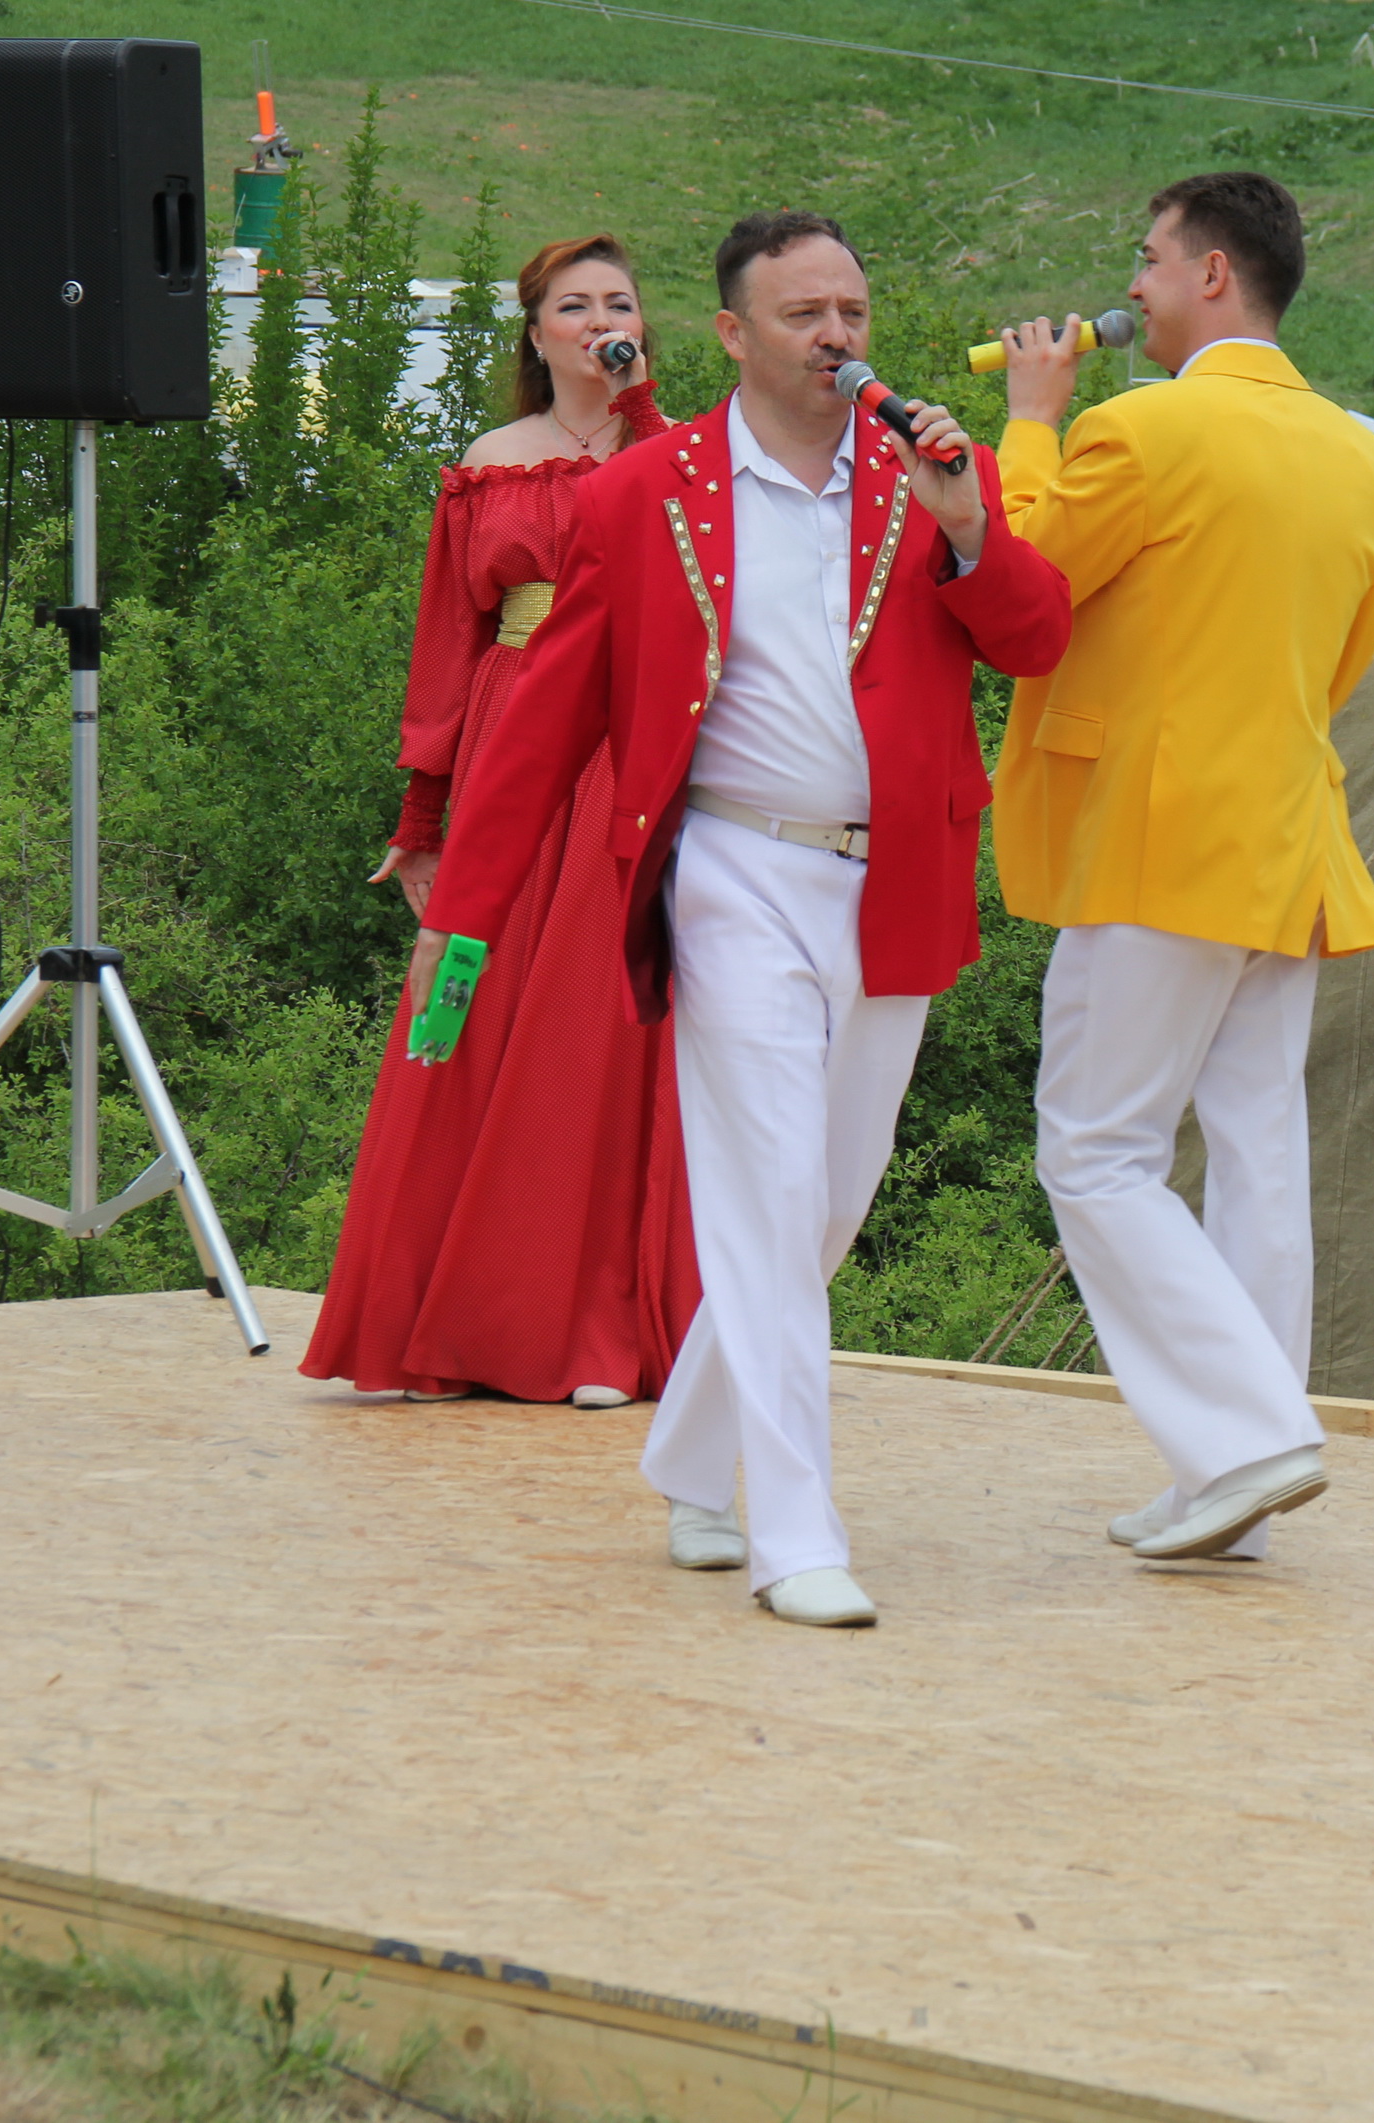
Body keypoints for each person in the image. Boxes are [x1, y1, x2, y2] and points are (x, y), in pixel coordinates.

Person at [408, 210, 1069, 1625]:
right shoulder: (644, 491)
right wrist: (461, 918)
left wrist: (971, 528)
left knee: (824, 1203)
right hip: (730, 869)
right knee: (767, 1188)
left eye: (853, 310)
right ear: (731, 333)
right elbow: (547, 722)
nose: (837, 336)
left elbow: (1035, 640)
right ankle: (797, 1532)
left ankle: (692, 1454)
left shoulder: (925, 478)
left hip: (893, 880)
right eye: (803, 313)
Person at [990, 170, 1374, 1563]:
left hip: (1157, 834)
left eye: (1149, 260)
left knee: (1096, 1148)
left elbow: (1024, 584)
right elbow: (1342, 664)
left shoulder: (1142, 426)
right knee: (1255, 1150)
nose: (1134, 287)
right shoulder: (1360, 455)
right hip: (1289, 836)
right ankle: (1237, 1474)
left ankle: (1244, 1439)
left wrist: (1031, 423)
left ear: (1212, 274)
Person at [304, 234, 697, 1413]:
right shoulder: (490, 462)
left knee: (596, 1028)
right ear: (534, 334)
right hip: (511, 742)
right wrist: (424, 812)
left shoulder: (680, 450)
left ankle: (590, 1327)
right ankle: (447, 1318)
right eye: (573, 306)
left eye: (619, 303)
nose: (599, 321)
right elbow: (448, 639)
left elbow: (693, 560)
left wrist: (641, 409)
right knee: (466, 1018)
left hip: (626, 741)